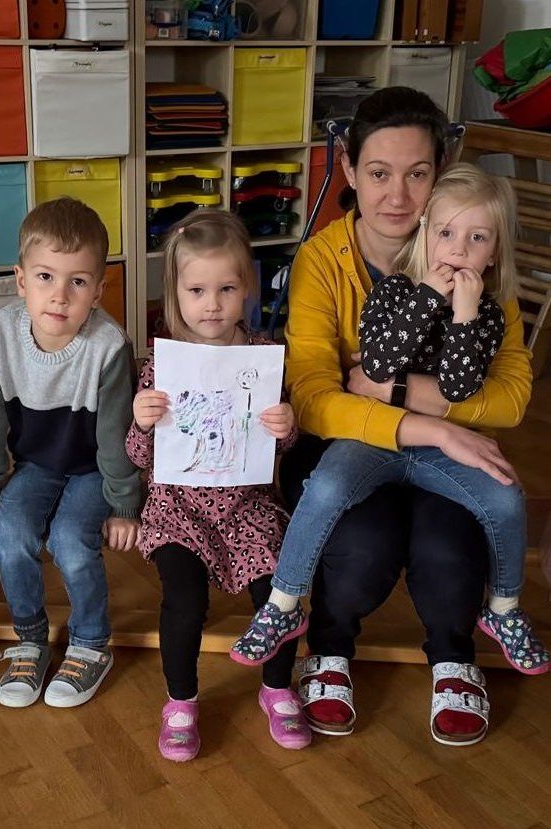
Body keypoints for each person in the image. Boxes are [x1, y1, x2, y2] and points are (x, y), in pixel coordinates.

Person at [274, 87, 533, 746]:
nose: (397, 194)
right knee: (364, 545)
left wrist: (404, 395)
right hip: (348, 443)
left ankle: (455, 657)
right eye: (379, 173)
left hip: (439, 448)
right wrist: (436, 422)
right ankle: (327, 647)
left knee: (447, 547)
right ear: (350, 170)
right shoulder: (322, 260)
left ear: (442, 172)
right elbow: (312, 397)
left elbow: (510, 398)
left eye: (418, 174)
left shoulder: (477, 251)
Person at [232, 163, 547, 676]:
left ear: (494, 251)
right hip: (373, 436)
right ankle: (283, 604)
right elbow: (376, 363)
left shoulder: (487, 312)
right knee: (327, 484)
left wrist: (463, 315)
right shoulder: (396, 292)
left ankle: (505, 609)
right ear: (426, 234)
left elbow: (459, 388)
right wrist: (428, 298)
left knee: (507, 496)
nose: (459, 249)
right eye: (446, 233)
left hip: (440, 453)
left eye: (477, 238)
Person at [127, 210, 309, 762]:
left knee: (278, 591)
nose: (212, 304)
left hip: (248, 506)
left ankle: (277, 688)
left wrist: (286, 429)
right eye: (198, 289)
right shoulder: (162, 365)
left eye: (227, 288)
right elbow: (137, 459)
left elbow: (275, 456)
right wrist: (141, 422)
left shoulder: (261, 358)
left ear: (247, 288)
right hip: (177, 509)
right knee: (184, 599)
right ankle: (180, 701)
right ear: (175, 293)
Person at [0, 197, 141, 710]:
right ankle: (30, 638)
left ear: (99, 290)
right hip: (37, 465)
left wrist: (125, 505)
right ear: (21, 280)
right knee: (12, 532)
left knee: (68, 540)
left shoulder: (108, 346)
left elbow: (116, 436)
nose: (59, 296)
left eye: (78, 282)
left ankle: (89, 641)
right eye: (45, 277)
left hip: (93, 472)